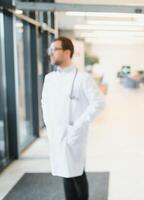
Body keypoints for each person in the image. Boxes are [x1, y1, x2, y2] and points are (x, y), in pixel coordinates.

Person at [41, 37, 105, 200]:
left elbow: (99, 102)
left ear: (67, 52)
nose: (51, 53)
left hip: (74, 134)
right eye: (50, 50)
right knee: (65, 173)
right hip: (57, 134)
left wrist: (78, 125)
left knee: (76, 174)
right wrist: (49, 126)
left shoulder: (82, 78)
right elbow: (44, 103)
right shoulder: (50, 79)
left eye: (54, 50)